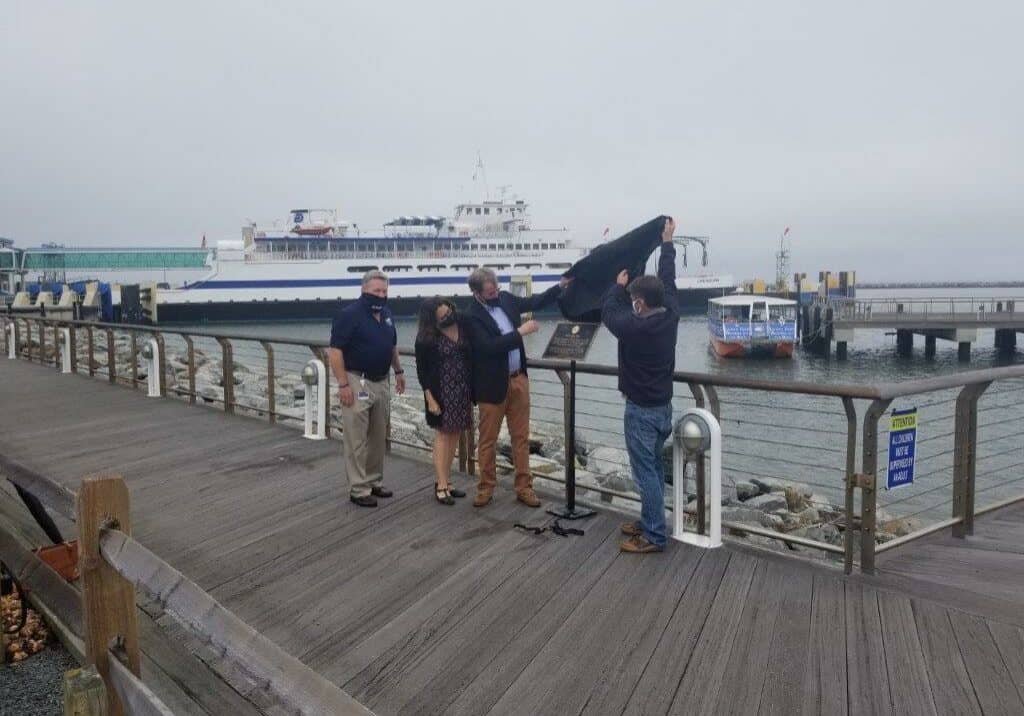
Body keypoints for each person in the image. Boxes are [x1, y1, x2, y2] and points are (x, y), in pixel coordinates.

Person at [601, 216, 678, 553]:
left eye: (634, 298)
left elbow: (608, 312)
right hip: (663, 408)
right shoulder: (671, 314)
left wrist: (618, 287)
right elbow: (669, 280)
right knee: (654, 468)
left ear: (640, 303)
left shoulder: (634, 327)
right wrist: (667, 243)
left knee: (645, 472)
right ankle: (652, 520)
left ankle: (654, 536)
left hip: (641, 412)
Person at [465, 269, 569, 508]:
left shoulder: (507, 299)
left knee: (521, 437)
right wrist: (520, 332)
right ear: (477, 293)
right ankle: (486, 488)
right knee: (488, 440)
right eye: (490, 293)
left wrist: (560, 285)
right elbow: (488, 347)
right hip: (491, 385)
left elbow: (535, 301)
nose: (495, 295)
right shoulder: (470, 316)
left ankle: (524, 487)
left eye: (497, 290)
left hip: (518, 379)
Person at [328, 270, 406, 507]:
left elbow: (391, 345)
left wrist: (399, 371)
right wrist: (342, 384)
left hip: (381, 380)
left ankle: (374, 481)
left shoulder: (387, 314)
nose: (381, 295)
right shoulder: (348, 315)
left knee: (377, 436)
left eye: (384, 291)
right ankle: (358, 489)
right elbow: (336, 351)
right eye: (376, 291)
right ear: (364, 290)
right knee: (357, 438)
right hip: (356, 381)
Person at [414, 297, 473, 505]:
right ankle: (440, 484)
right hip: (441, 391)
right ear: (433, 319)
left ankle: (447, 481)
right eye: (443, 316)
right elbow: (422, 371)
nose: (448, 316)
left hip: (462, 390)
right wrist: (430, 398)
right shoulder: (426, 338)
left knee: (455, 433)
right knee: (442, 434)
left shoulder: (461, 327)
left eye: (449, 312)